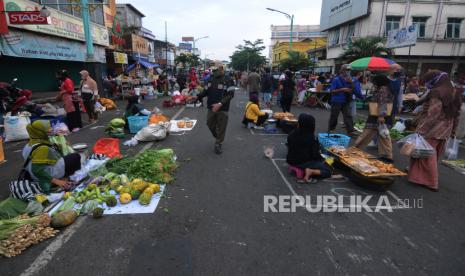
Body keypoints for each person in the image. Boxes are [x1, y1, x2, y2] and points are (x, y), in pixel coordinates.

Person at [408, 70, 462, 191]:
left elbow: (433, 114)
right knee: (432, 155)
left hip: (433, 129)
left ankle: (432, 182)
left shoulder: (436, 92)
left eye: (427, 81)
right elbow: (457, 114)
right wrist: (453, 131)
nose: (427, 84)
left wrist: (422, 130)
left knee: (427, 156)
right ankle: (419, 177)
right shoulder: (455, 92)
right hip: (446, 128)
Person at [21, 120, 81, 193]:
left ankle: (59, 179)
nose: (51, 130)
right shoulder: (42, 148)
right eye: (48, 129)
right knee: (75, 157)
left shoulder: (29, 144)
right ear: (40, 132)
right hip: (42, 175)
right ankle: (60, 180)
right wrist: (57, 181)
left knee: (67, 156)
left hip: (32, 174)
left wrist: (62, 146)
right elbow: (36, 169)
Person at [193, 66, 234, 154]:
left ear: (222, 70)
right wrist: (197, 96)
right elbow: (206, 91)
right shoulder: (210, 79)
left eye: (217, 70)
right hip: (211, 107)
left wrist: (220, 104)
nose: (214, 72)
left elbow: (230, 94)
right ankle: (218, 136)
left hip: (223, 108)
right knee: (209, 123)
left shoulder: (228, 80)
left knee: (222, 127)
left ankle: (218, 143)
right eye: (213, 70)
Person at [354, 74, 394, 162]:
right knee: (384, 135)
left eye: (375, 81)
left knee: (367, 134)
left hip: (378, 116)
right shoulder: (383, 88)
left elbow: (382, 102)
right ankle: (387, 155)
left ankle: (356, 150)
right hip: (381, 116)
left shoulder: (383, 89)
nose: (373, 83)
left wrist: (381, 116)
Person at [287, 114, 332, 183]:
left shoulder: (292, 133)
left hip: (291, 159)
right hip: (302, 162)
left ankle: (312, 168)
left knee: (324, 156)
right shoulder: (310, 138)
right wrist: (322, 160)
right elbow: (315, 155)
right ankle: (311, 171)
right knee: (328, 169)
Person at [328, 65, 358, 136]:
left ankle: (350, 131)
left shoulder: (350, 79)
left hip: (346, 100)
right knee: (334, 115)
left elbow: (354, 90)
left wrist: (351, 83)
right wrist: (342, 89)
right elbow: (332, 91)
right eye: (346, 70)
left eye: (349, 70)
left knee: (348, 115)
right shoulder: (336, 79)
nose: (348, 72)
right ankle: (331, 129)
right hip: (337, 100)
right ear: (342, 71)